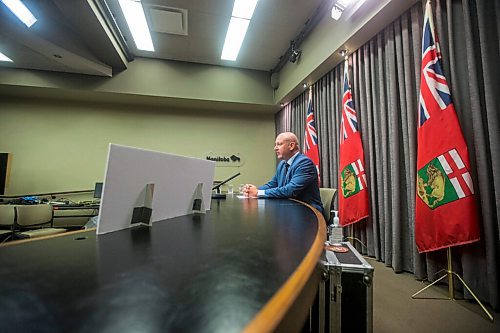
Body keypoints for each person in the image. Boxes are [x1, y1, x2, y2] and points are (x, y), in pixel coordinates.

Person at [243, 132, 323, 214]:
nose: (275, 148)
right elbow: (273, 184)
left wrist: (258, 193)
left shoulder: (304, 163)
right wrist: (253, 190)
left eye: (279, 144)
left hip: (308, 211)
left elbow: (290, 190)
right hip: (289, 208)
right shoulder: (282, 164)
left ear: (291, 146)